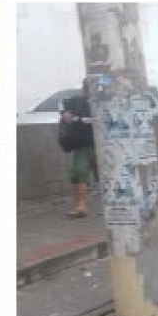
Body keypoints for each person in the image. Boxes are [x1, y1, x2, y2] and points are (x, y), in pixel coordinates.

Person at [58, 81, 96, 218]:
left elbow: (97, 120)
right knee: (80, 174)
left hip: (103, 145)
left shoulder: (103, 103)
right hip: (82, 145)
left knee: (110, 174)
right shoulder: (76, 101)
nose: (88, 91)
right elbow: (61, 103)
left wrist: (79, 119)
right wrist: (64, 113)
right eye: (87, 88)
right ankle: (81, 207)